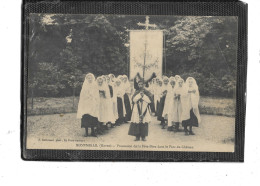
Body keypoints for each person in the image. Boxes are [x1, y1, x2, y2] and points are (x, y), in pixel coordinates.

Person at [77, 73, 99, 137]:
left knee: (93, 116)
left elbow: (96, 94)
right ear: (86, 79)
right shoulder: (85, 86)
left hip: (93, 102)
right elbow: (82, 95)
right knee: (86, 116)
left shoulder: (95, 85)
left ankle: (93, 131)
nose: (90, 79)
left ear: (93, 78)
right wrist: (87, 96)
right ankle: (86, 132)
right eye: (88, 78)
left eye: (91, 78)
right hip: (86, 102)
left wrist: (94, 98)